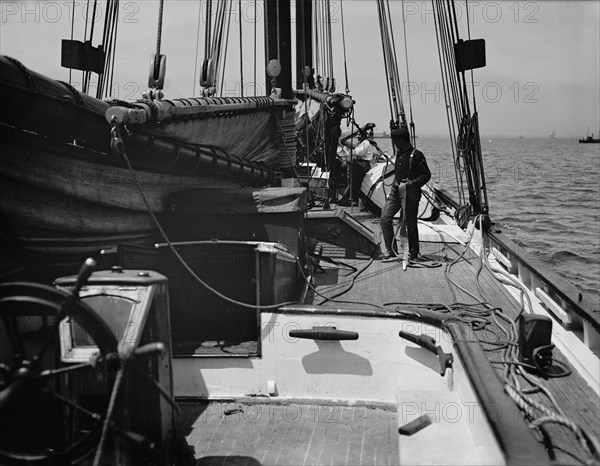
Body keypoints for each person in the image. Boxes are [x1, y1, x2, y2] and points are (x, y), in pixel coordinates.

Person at [380, 126, 431, 262]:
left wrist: (412, 183)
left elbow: (426, 175)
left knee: (410, 224)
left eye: (395, 141)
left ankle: (413, 253)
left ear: (402, 140)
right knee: (385, 218)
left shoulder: (417, 155)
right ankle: (391, 250)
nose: (394, 143)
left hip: (410, 193)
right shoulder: (400, 153)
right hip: (396, 191)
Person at [337, 124, 376, 207]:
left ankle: (351, 200)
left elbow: (358, 152)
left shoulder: (366, 143)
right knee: (353, 181)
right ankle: (348, 198)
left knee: (355, 182)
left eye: (359, 137)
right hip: (360, 163)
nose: (357, 138)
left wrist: (353, 149)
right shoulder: (362, 143)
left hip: (363, 164)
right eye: (357, 137)